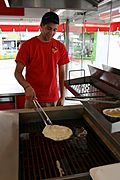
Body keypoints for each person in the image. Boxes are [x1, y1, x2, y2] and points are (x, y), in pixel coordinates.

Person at [14, 11, 70, 108]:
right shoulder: (28, 46)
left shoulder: (60, 47)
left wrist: (63, 96)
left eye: (54, 30)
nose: (51, 33)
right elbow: (18, 73)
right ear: (41, 26)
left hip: (53, 98)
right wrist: (27, 87)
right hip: (33, 98)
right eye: (48, 28)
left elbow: (61, 73)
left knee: (53, 123)